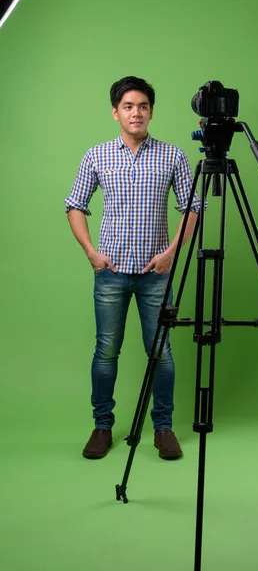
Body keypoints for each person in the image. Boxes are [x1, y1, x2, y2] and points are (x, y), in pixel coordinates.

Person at [65, 76, 200, 460]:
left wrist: (173, 251)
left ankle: (163, 428)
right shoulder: (96, 156)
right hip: (110, 272)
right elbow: (75, 204)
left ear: (151, 111)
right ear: (115, 112)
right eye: (128, 106)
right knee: (106, 350)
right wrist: (91, 251)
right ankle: (102, 427)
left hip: (156, 273)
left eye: (142, 106)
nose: (136, 112)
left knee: (161, 351)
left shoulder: (172, 156)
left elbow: (193, 208)